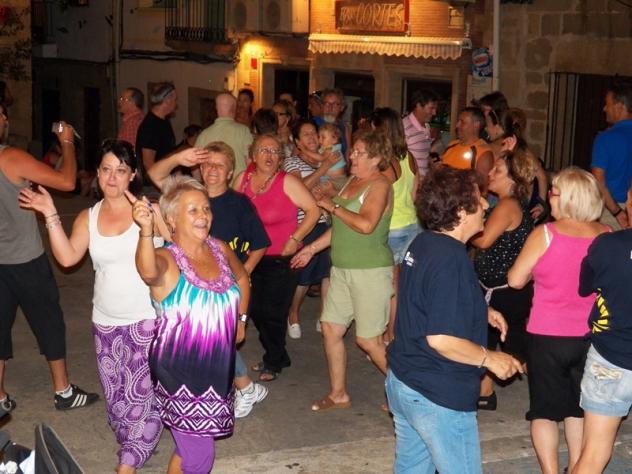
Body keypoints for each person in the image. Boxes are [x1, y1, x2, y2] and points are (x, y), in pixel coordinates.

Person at [19, 139, 170, 473]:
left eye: (121, 170)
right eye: (106, 169)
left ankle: (128, 463)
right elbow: (68, 257)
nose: (112, 177)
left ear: (133, 174)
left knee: (140, 399)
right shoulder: (88, 217)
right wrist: (50, 213)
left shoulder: (149, 210)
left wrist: (157, 224)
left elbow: (179, 248)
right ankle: (133, 442)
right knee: (117, 404)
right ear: (98, 174)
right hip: (105, 323)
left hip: (147, 322)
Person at [385, 166, 522, 473]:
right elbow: (441, 339)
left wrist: (479, 309)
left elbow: (426, 299)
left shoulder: (425, 243)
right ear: (461, 212)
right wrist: (490, 358)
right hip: (437, 394)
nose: (486, 204)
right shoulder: (451, 260)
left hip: (405, 381)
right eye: (478, 199)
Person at [132, 175, 250, 474]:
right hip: (180, 375)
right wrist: (145, 231)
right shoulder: (167, 259)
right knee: (200, 458)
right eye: (193, 210)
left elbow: (242, 278)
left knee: (189, 448)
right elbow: (148, 272)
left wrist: (241, 319)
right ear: (171, 219)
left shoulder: (219, 249)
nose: (203, 216)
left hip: (217, 372)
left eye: (206, 209)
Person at [148, 141, 271, 418]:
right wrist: (179, 157)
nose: (212, 169)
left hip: (224, 289)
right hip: (186, 283)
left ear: (230, 171)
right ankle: (221, 394)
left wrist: (241, 275)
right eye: (207, 164)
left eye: (220, 165)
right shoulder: (187, 194)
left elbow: (260, 243)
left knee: (215, 341)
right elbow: (155, 174)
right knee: (202, 342)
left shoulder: (239, 204)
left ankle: (238, 390)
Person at [508, 167, 609, 474]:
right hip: (592, 336)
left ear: (567, 198)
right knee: (577, 408)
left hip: (547, 334)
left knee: (544, 412)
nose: (549, 197)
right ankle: (577, 467)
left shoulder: (545, 234)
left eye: (553, 192)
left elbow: (515, 280)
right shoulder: (606, 235)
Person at [0, 110, 98, 412]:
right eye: (1, 114)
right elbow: (67, 181)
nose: (5, 119)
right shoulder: (10, 157)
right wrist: (67, 142)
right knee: (49, 322)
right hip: (24, 259)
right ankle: (63, 391)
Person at [291, 130, 394, 411]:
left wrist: (332, 206)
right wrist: (311, 249)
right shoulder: (352, 181)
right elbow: (342, 229)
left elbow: (366, 224)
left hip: (369, 271)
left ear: (376, 158)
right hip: (342, 270)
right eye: (353, 150)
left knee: (369, 342)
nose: (352, 156)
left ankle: (410, 394)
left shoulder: (379, 185)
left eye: (360, 152)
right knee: (330, 328)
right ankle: (338, 394)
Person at [234, 134, 319, 381]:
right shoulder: (242, 180)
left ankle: (273, 360)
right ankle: (279, 354)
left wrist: (295, 238)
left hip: (281, 259)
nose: (269, 155)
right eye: (264, 150)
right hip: (250, 257)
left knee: (272, 312)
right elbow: (232, 209)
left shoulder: (287, 181)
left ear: (281, 157)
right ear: (253, 155)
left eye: (274, 151)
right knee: (254, 310)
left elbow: (313, 210)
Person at [471, 148, 536, 410]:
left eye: (497, 169)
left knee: (517, 350)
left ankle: (553, 390)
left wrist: (460, 227)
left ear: (512, 178)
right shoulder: (508, 203)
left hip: (505, 292)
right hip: (500, 289)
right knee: (487, 341)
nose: (490, 172)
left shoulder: (508, 205)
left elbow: (484, 239)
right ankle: (485, 393)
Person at [573, 199, 632, 473]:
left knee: (594, 452)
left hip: (612, 357)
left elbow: (585, 286)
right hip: (612, 356)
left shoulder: (608, 245)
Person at [369, 108, 419, 344]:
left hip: (392, 229)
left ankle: (386, 335)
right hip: (411, 225)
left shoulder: (385, 163)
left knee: (386, 286)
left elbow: (383, 201)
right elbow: (415, 193)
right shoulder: (410, 157)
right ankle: (393, 333)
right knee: (398, 285)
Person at [283, 120, 337, 339]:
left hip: (328, 221)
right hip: (305, 224)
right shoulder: (291, 162)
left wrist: (331, 191)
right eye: (305, 134)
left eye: (314, 133)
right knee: (303, 275)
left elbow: (340, 190)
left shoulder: (329, 159)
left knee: (327, 273)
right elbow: (299, 188)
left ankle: (324, 316)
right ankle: (293, 313)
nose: (312, 137)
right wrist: (323, 168)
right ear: (297, 141)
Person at [590, 82, 632, 230]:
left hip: (611, 211)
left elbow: (598, 181)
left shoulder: (605, 138)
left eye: (607, 104)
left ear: (620, 106)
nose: (604, 109)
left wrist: (617, 212)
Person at [195, 93, 253, 177]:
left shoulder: (204, 134)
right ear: (234, 109)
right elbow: (250, 162)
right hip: (238, 184)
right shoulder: (244, 131)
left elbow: (195, 167)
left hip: (212, 183)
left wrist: (202, 182)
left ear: (216, 108)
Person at [442, 107, 494, 192]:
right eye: (458, 121)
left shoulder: (483, 153)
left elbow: (483, 190)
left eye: (462, 122)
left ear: (476, 125)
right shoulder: (452, 145)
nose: (457, 125)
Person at [136, 82, 177, 182]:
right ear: (167, 101)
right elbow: (148, 163)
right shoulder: (150, 126)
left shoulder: (164, 121)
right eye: (175, 99)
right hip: (152, 185)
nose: (176, 104)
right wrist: (163, 185)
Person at [402, 89, 439, 177]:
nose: (434, 113)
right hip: (411, 183)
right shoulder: (403, 127)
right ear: (418, 105)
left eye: (435, 109)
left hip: (424, 182)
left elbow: (422, 155)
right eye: (431, 108)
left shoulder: (427, 127)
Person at [313, 88, 351, 158]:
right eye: (326, 103)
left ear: (342, 107)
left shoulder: (344, 127)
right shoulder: (312, 124)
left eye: (335, 104)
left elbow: (347, 153)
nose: (330, 107)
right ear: (321, 105)